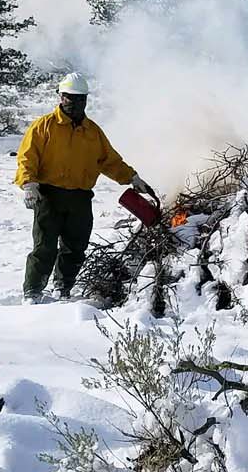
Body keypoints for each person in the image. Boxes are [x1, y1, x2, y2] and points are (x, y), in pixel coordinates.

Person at [13, 73, 157, 303]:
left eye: (80, 99)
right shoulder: (44, 126)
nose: (75, 103)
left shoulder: (92, 132)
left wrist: (132, 178)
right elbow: (27, 157)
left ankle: (63, 287)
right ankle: (33, 291)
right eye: (70, 98)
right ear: (61, 97)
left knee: (75, 247)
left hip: (80, 198)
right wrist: (29, 184)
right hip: (49, 196)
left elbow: (109, 161)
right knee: (44, 247)